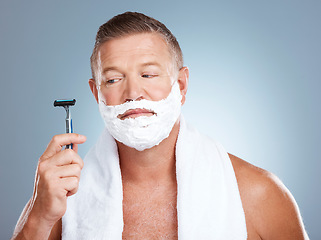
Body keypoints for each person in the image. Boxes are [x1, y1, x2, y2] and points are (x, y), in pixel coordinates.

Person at [12, 12, 309, 240]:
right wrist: (39, 218)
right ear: (96, 93)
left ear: (180, 85)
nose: (133, 93)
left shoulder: (258, 194)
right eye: (114, 79)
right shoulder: (59, 204)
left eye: (149, 74)